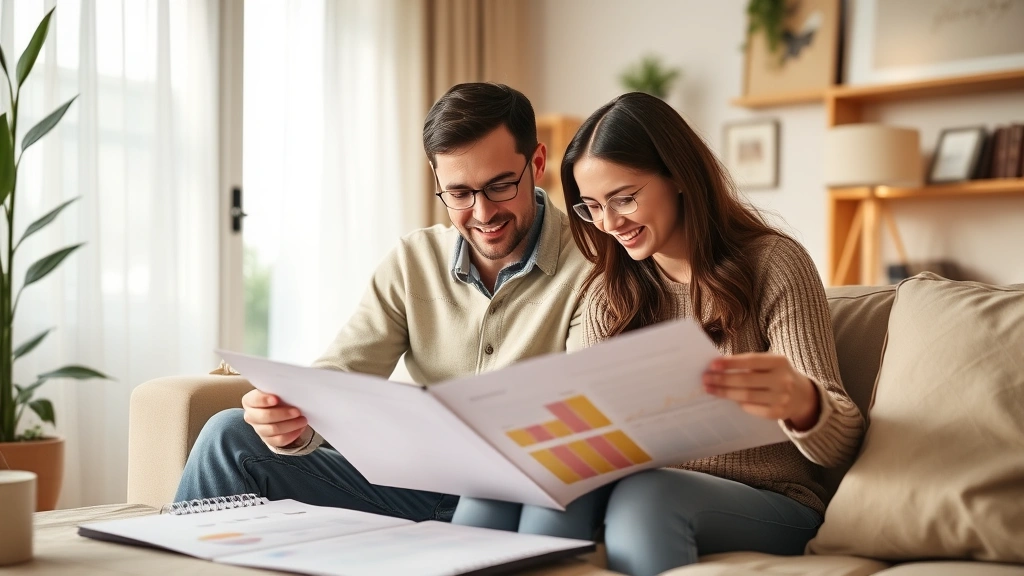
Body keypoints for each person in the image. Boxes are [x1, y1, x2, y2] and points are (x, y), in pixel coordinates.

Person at [452, 92, 866, 576]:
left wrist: (802, 401)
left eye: (624, 198)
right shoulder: (611, 291)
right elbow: (582, 427)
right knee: (508, 483)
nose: (609, 224)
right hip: (640, 481)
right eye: (591, 207)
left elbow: (842, 444)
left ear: (678, 177)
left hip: (773, 501)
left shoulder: (774, 265)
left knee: (646, 494)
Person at [174, 83, 591, 524]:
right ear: (437, 182)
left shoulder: (592, 267)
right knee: (229, 435)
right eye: (459, 194)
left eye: (500, 186)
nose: (482, 213)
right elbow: (341, 374)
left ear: (538, 164)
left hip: (516, 497)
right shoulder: (413, 261)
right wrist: (291, 419)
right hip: (411, 486)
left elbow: (587, 419)